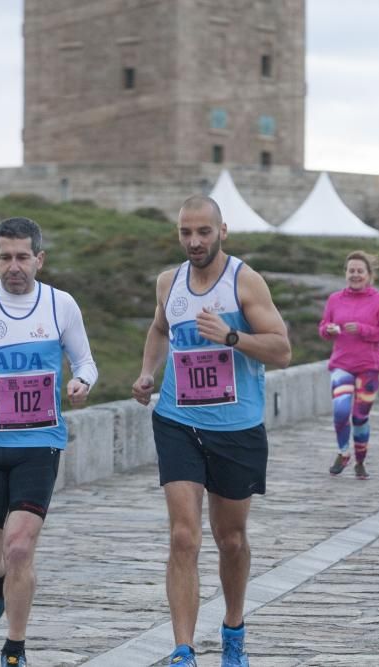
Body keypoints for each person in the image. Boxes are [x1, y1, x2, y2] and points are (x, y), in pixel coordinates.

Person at [131, 195, 292, 667]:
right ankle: (183, 650)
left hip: (237, 426)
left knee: (232, 540)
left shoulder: (245, 281)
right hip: (179, 420)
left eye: (203, 232)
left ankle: (234, 628)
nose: (194, 242)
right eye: (186, 233)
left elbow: (282, 350)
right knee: (184, 536)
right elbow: (160, 329)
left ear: (223, 230)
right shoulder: (169, 282)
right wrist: (147, 373)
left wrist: (231, 337)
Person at [0, 217, 98, 667]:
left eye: (23, 257)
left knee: (19, 547)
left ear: (39, 259)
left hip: (39, 442)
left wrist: (81, 383)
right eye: (5, 257)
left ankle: (15, 648)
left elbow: (86, 361)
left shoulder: (60, 304)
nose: (14, 267)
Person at [319, 251, 379, 479]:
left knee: (360, 417)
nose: (355, 275)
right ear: (345, 273)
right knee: (340, 411)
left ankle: (360, 460)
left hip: (369, 367)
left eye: (359, 271)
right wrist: (328, 330)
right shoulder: (335, 299)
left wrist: (363, 330)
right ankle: (343, 453)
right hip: (341, 363)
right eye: (351, 270)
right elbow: (323, 327)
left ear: (369, 275)